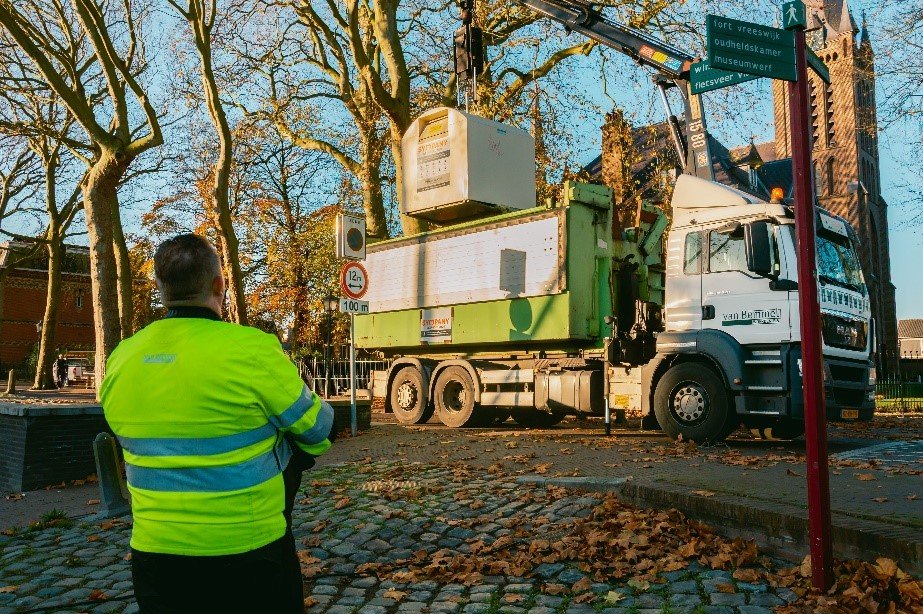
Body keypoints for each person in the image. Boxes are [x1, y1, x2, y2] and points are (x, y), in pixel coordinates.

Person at [100, 234, 333, 613]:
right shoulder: (252, 348)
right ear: (219, 285)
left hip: (156, 555)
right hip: (251, 551)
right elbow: (318, 431)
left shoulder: (122, 359)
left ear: (160, 288)